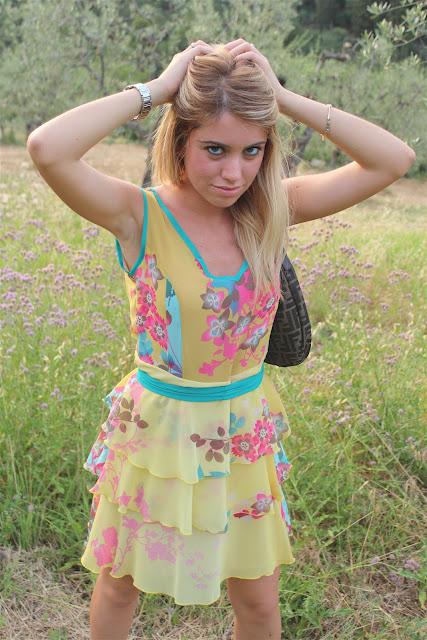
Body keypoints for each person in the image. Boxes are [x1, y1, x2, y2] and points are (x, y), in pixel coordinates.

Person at [27, 38, 416, 640]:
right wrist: (156, 90)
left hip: (241, 430)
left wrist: (282, 100)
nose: (233, 171)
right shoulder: (140, 215)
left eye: (250, 151)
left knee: (258, 603)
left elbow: (393, 160)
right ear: (179, 141)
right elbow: (47, 148)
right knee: (119, 586)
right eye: (213, 149)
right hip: (157, 431)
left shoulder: (270, 211)